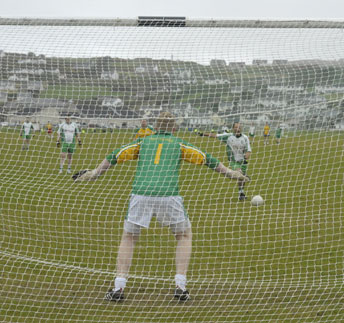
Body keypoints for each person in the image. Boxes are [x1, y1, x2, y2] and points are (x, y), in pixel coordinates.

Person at [73, 112, 249, 302]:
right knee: (183, 235)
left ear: (155, 127)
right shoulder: (178, 143)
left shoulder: (143, 142)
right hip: (168, 195)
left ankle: (118, 287)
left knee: (129, 237)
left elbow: (114, 156)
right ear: (174, 129)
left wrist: (94, 173)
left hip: (141, 193)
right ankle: (180, 286)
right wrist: (231, 174)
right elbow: (209, 160)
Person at [199, 122, 251, 201]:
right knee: (239, 173)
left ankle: (241, 193)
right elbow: (215, 135)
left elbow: (248, 150)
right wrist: (203, 134)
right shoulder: (228, 136)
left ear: (242, 128)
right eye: (236, 127)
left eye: (239, 127)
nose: (238, 129)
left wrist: (246, 157)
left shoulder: (245, 137)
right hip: (233, 161)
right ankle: (243, 177)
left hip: (242, 161)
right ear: (233, 129)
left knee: (241, 179)